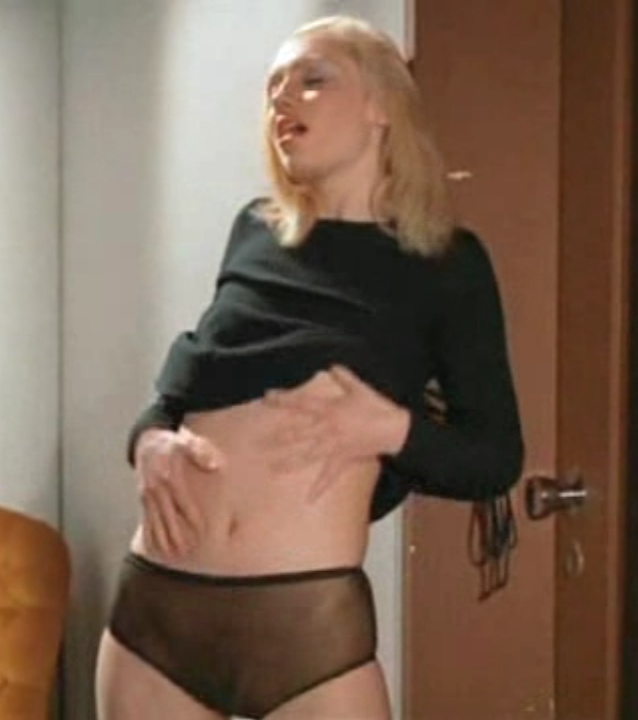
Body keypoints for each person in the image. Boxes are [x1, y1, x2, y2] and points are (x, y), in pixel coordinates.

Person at [95, 14, 524, 720]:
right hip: (156, 613)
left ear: (381, 105)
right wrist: (146, 441)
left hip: (304, 627)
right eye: (274, 87)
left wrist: (388, 428)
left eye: (312, 79)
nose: (282, 98)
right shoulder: (254, 229)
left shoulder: (448, 265)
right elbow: (189, 382)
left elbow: (495, 459)